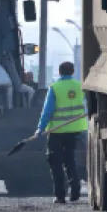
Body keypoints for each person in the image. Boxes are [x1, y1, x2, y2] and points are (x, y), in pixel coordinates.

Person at [34, 61, 88, 204]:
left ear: (59, 72)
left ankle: (60, 195)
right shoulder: (80, 86)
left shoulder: (55, 88)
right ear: (72, 71)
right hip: (76, 129)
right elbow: (87, 105)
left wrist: (40, 128)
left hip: (57, 131)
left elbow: (47, 111)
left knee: (55, 162)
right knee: (70, 159)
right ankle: (75, 189)